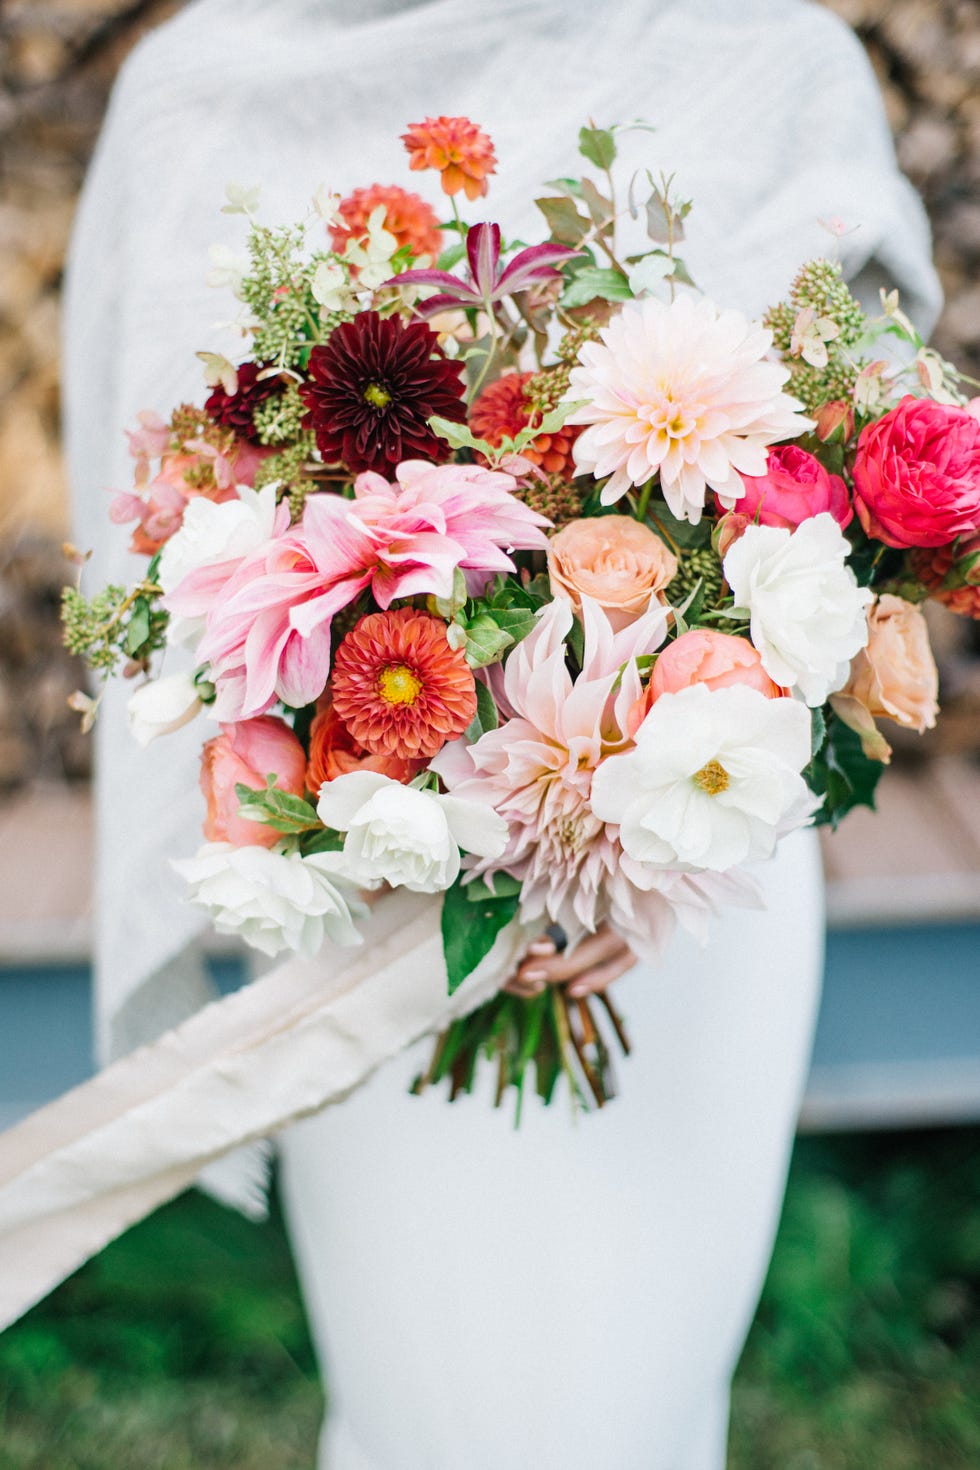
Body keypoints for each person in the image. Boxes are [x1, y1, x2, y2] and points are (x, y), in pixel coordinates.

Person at [64, 2, 940, 1465]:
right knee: (426, 1386)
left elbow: (841, 502)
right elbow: (164, 521)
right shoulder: (198, 82)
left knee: (645, 1392)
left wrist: (633, 822)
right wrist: (423, 806)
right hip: (374, 881)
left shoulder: (770, 52)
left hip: (692, 870)